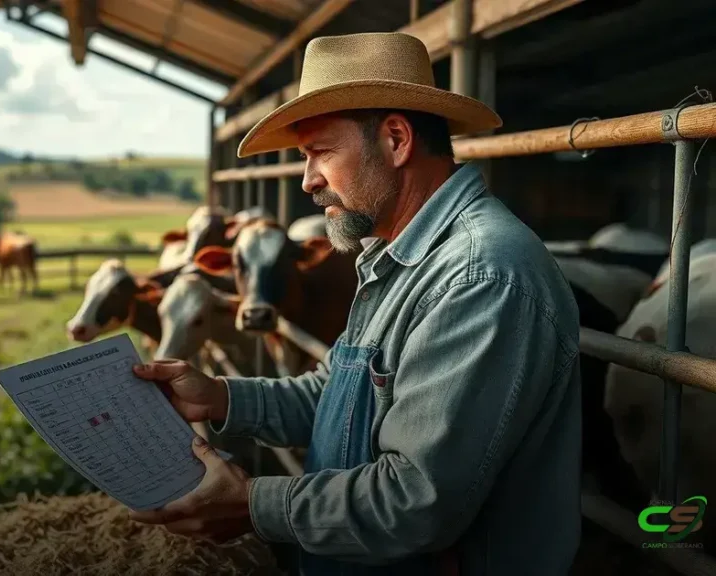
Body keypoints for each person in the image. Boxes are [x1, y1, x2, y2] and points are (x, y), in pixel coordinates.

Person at [128, 32, 583, 575]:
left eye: (320, 153)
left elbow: (417, 501)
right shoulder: (397, 255)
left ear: (396, 139)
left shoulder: (478, 278)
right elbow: (342, 397)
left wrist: (251, 504)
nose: (307, 181)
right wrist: (219, 397)